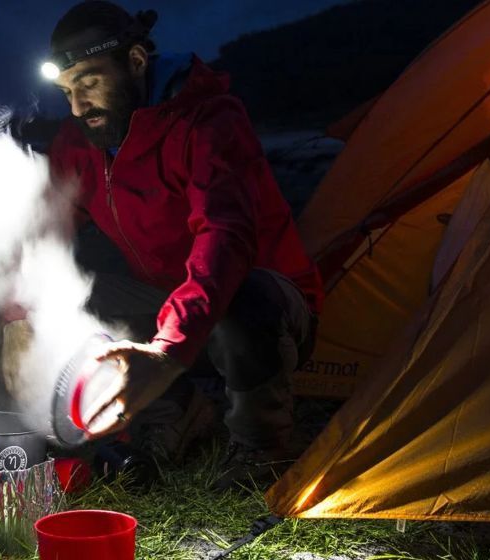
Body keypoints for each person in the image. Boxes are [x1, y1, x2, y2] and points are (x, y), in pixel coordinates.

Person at [19, 1, 325, 487]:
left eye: (89, 82)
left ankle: (261, 448)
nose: (78, 106)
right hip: (171, 303)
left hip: (266, 307)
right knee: (71, 292)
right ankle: (177, 412)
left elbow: (225, 242)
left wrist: (166, 352)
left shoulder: (206, 119)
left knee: (244, 296)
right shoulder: (80, 141)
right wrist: (18, 317)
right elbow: (43, 230)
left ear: (136, 61)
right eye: (66, 90)